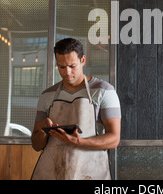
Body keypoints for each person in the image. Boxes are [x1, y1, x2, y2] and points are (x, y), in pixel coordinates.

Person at [31, 38, 121, 180]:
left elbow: (114, 139)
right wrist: (43, 130)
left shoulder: (104, 91)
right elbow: (36, 145)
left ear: (83, 60)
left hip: (90, 173)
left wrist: (80, 142)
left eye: (72, 66)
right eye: (61, 67)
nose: (67, 72)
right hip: (52, 173)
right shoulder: (47, 95)